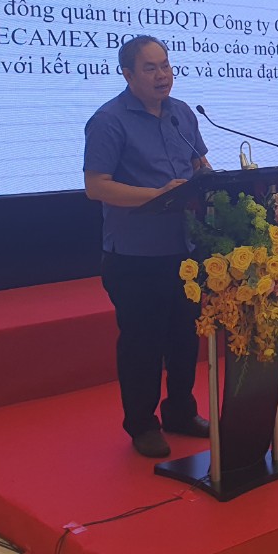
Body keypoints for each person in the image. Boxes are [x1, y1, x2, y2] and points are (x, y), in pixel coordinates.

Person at [84, 35, 213, 459]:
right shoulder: (109, 120)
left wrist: (216, 184)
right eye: (151, 68)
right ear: (128, 74)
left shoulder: (182, 113)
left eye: (166, 65)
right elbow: (96, 186)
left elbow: (199, 165)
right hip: (135, 255)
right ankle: (141, 424)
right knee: (143, 344)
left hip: (184, 249)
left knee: (183, 339)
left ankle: (181, 412)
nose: (163, 75)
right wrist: (156, 195)